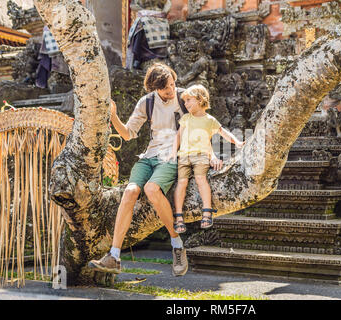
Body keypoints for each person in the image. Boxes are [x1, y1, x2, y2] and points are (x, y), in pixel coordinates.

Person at [88, 64, 223, 277]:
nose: (172, 90)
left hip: (172, 157)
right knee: (130, 191)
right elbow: (128, 133)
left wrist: (211, 155)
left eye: (172, 84)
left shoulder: (184, 98)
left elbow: (203, 125)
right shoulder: (147, 103)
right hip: (149, 156)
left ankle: (177, 244)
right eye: (166, 88)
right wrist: (113, 116)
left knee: (151, 189)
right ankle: (114, 256)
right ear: (154, 88)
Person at [168, 85, 244, 233]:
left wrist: (238, 142)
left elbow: (224, 133)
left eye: (189, 100)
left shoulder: (210, 120)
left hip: (201, 156)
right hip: (184, 156)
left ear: (200, 99)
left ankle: (207, 212)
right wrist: (172, 152)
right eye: (185, 102)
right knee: (182, 182)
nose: (186, 104)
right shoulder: (186, 118)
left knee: (201, 179)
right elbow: (178, 136)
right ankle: (178, 216)